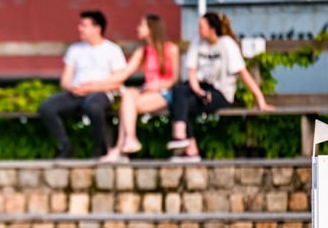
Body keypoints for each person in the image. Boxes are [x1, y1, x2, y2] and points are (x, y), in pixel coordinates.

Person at [167, 11, 275, 161]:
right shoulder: (197, 42)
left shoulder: (227, 45)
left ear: (212, 29)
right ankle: (182, 139)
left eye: (201, 27)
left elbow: (244, 74)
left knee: (180, 105)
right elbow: (192, 72)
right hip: (200, 88)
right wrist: (199, 92)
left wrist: (260, 100)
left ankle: (189, 148)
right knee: (178, 93)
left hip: (221, 93)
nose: (198, 30)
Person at [37, 10, 127, 159]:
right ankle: (65, 146)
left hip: (101, 93)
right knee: (47, 107)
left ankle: (100, 148)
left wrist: (92, 87)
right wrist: (72, 87)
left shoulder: (112, 50)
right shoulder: (75, 50)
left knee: (93, 106)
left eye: (84, 25)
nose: (80, 28)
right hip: (77, 93)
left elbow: (118, 81)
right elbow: (65, 80)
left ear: (97, 28)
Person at [97, 14, 180, 162]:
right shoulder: (142, 52)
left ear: (151, 28)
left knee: (127, 106)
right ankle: (129, 139)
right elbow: (125, 74)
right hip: (147, 91)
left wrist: (159, 85)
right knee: (129, 94)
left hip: (165, 92)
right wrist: (97, 84)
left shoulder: (171, 49)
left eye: (141, 25)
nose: (138, 28)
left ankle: (120, 148)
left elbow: (174, 79)